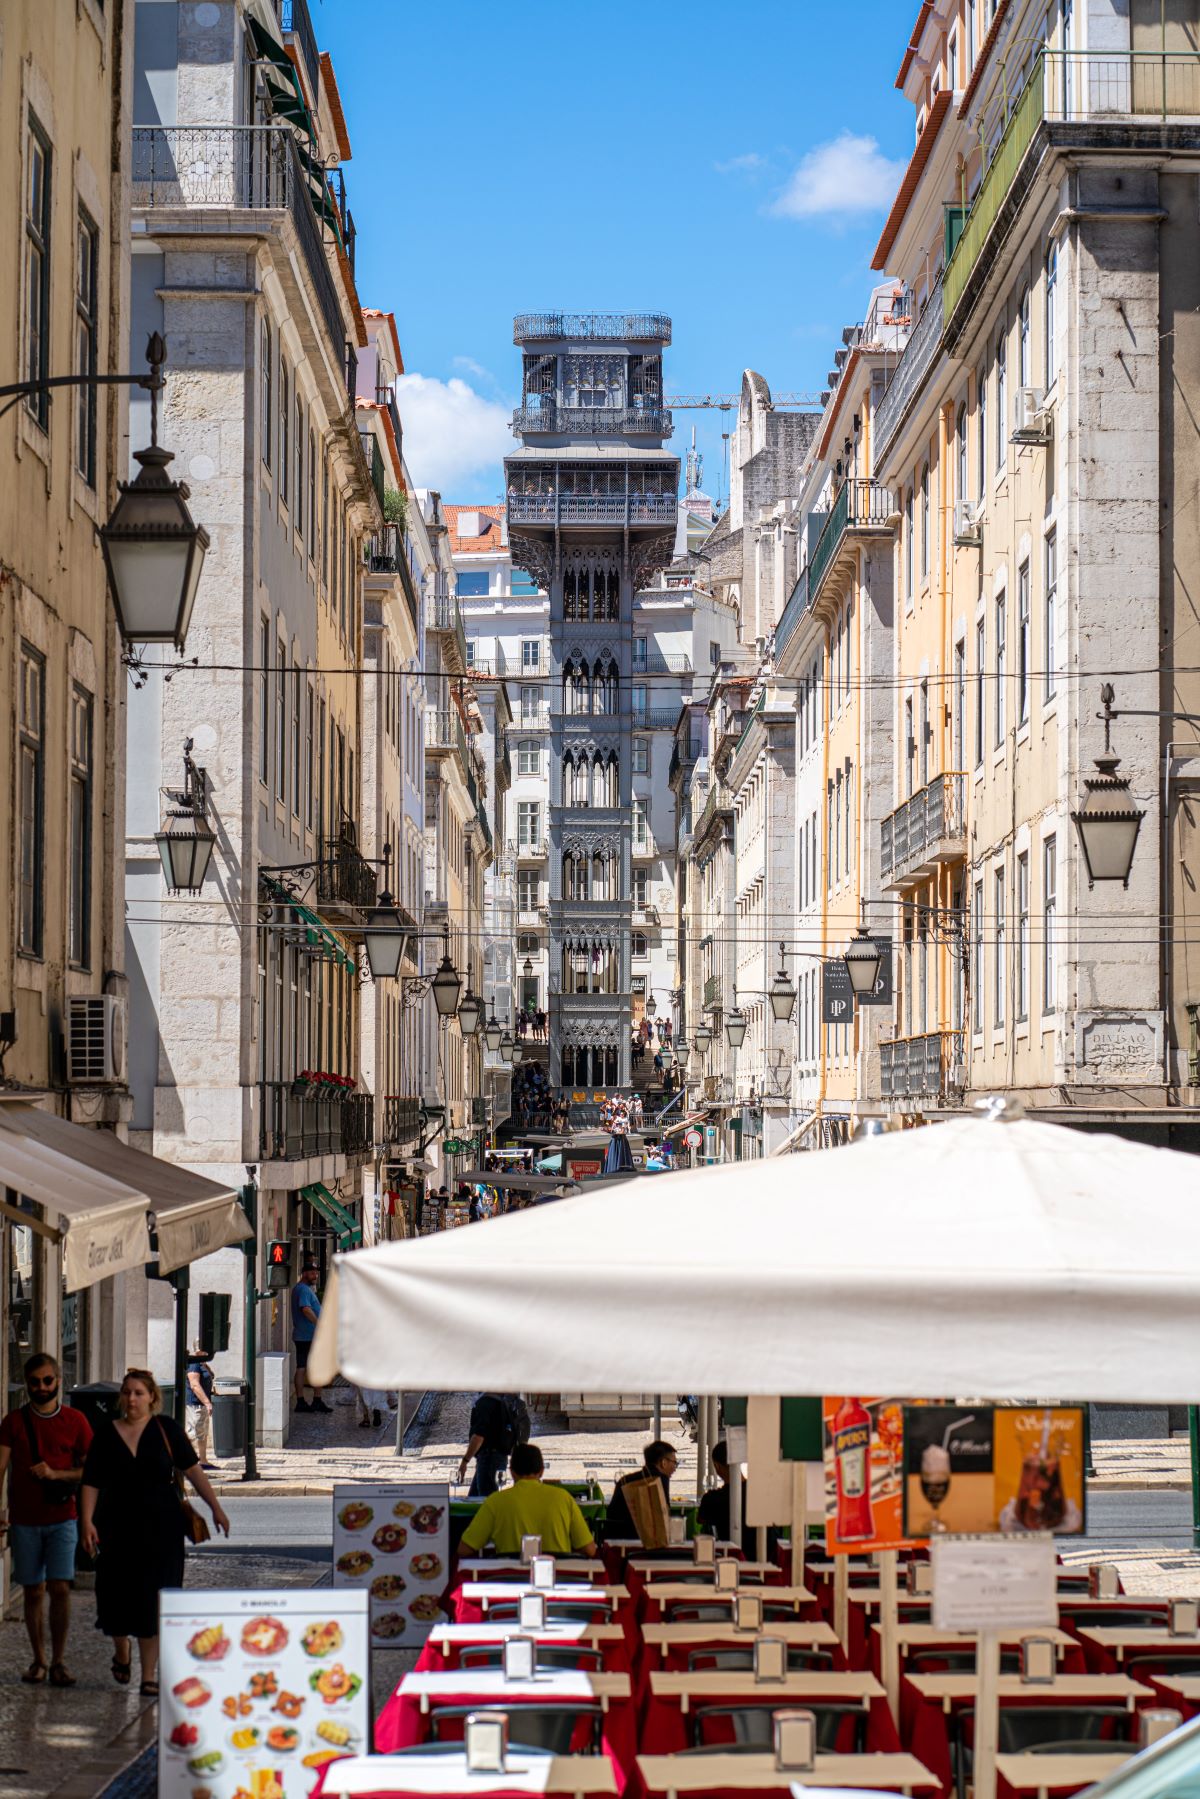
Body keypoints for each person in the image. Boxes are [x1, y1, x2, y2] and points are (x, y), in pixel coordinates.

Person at [79, 1369, 229, 1696]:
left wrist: (216, 1508)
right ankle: (122, 1650)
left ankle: (149, 1676)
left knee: (154, 1600)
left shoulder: (167, 1430)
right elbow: (91, 1481)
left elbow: (192, 1471)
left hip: (162, 1528)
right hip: (115, 1527)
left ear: (151, 1398)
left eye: (138, 1393)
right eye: (127, 1393)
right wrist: (86, 1521)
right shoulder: (106, 1435)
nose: (132, 1399)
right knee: (114, 1596)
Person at [0, 1352, 93, 1688]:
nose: (41, 1387)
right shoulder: (13, 1422)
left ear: (58, 1381)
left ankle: (59, 1661)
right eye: (35, 1382)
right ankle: (38, 1659)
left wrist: (57, 1474)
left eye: (47, 1381)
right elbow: (0, 1468)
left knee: (60, 1589)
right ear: (26, 1384)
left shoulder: (76, 1421)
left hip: (63, 1518)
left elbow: (92, 1472)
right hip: (24, 1520)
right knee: (33, 1591)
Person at [460, 1442, 597, 1557]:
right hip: (557, 1579)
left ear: (512, 1472)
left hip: (509, 1581)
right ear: (542, 1471)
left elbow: (464, 1548)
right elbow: (590, 1549)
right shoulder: (564, 1499)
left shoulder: (495, 1502)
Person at [457, 1392, 529, 1495]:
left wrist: (465, 1461)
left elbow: (478, 1436)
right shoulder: (502, 1400)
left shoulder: (485, 1403)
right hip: (498, 1458)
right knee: (474, 1498)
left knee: (486, 1500)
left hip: (488, 1459)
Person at [606, 1439, 678, 1540]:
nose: (675, 1468)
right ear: (664, 1462)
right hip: (645, 1543)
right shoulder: (660, 1479)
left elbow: (611, 1513)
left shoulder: (624, 1480)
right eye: (674, 1463)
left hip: (617, 1538)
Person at [292, 1258, 330, 1414]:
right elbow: (306, 1309)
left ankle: (309, 1401)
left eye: (316, 1273)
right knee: (308, 1367)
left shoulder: (302, 1289)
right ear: (305, 1273)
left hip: (304, 1335)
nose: (315, 1275)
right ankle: (312, 1401)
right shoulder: (303, 1290)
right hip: (309, 1336)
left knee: (302, 1367)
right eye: (312, 1272)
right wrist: (319, 1324)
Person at [697, 1439, 746, 1542]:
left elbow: (701, 1521)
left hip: (725, 1554)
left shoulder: (711, 1499)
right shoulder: (759, 1494)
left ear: (716, 1466)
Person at [184, 1342, 218, 1470]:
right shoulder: (194, 1364)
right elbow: (195, 1385)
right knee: (193, 1433)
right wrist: (207, 1402)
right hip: (196, 1405)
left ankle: (203, 1461)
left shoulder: (202, 1363)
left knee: (202, 1434)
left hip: (202, 1404)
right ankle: (184, 1459)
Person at [603, 1100, 634, 1175]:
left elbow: (623, 1130)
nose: (622, 1115)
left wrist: (620, 1129)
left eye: (623, 1114)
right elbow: (613, 1126)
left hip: (621, 1139)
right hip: (616, 1138)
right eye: (621, 1114)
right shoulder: (617, 1119)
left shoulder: (625, 1120)